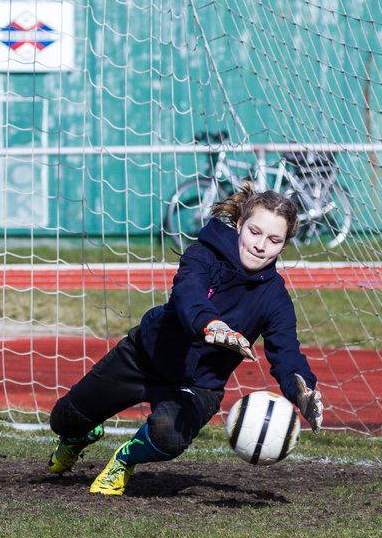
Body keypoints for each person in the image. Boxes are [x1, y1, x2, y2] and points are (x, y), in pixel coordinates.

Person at [45, 182, 324, 496]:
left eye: (274, 240)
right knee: (64, 419)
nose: (260, 245)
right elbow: (188, 296)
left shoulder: (275, 299)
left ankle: (124, 460)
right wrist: (212, 326)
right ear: (241, 225)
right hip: (144, 357)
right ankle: (79, 436)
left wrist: (303, 390)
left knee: (168, 435)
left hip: (198, 383)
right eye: (255, 232)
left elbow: (286, 354)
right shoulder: (204, 254)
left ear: (284, 246)